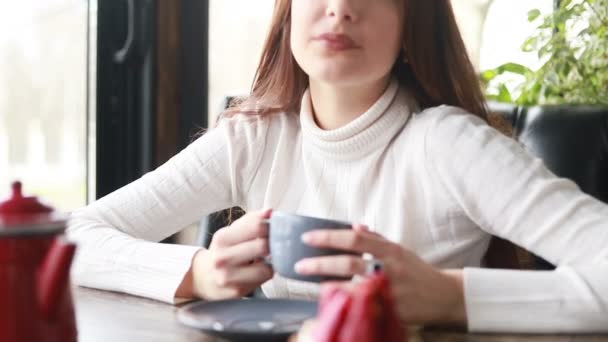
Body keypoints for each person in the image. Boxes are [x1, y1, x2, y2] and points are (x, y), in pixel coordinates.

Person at [67, 0, 608, 333]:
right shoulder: (254, 136)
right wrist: (201, 272)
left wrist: (450, 296)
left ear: (409, 25)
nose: (341, 6)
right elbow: (69, 239)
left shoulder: (450, 145)